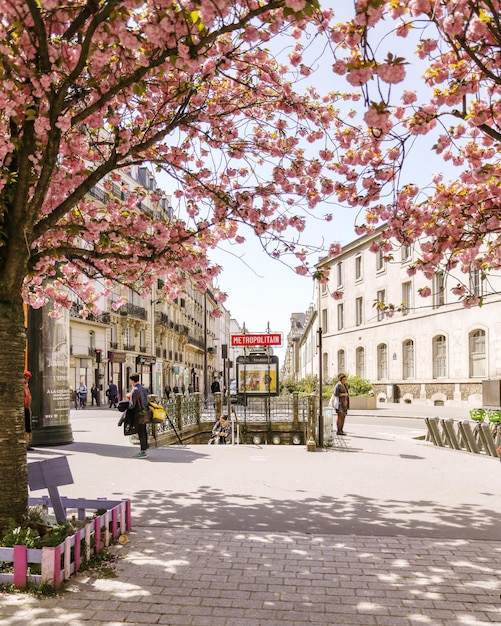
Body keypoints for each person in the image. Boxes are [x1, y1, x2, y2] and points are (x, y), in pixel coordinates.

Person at [129, 373, 150, 458]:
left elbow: (132, 405)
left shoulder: (135, 390)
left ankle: (143, 452)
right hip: (145, 412)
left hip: (138, 413)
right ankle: (144, 449)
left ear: (132, 381)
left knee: (140, 432)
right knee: (143, 431)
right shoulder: (144, 389)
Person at [24, 370, 34, 451]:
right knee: (26, 426)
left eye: (27, 378)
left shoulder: (26, 386)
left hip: (27, 407)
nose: (27, 379)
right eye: (26, 378)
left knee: (28, 427)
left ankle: (27, 443)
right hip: (24, 408)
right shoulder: (23, 387)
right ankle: (25, 444)